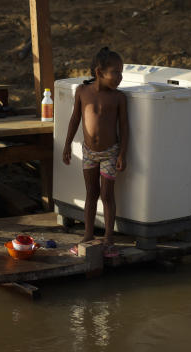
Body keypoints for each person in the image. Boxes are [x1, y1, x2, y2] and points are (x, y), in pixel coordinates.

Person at [62, 47, 129, 258]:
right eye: (115, 72)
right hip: (89, 152)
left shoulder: (119, 97)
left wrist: (122, 154)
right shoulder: (82, 91)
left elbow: (124, 127)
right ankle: (88, 235)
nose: (120, 77)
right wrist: (67, 145)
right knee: (91, 193)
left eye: (121, 72)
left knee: (107, 195)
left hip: (110, 152)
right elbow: (74, 119)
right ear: (99, 72)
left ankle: (109, 238)